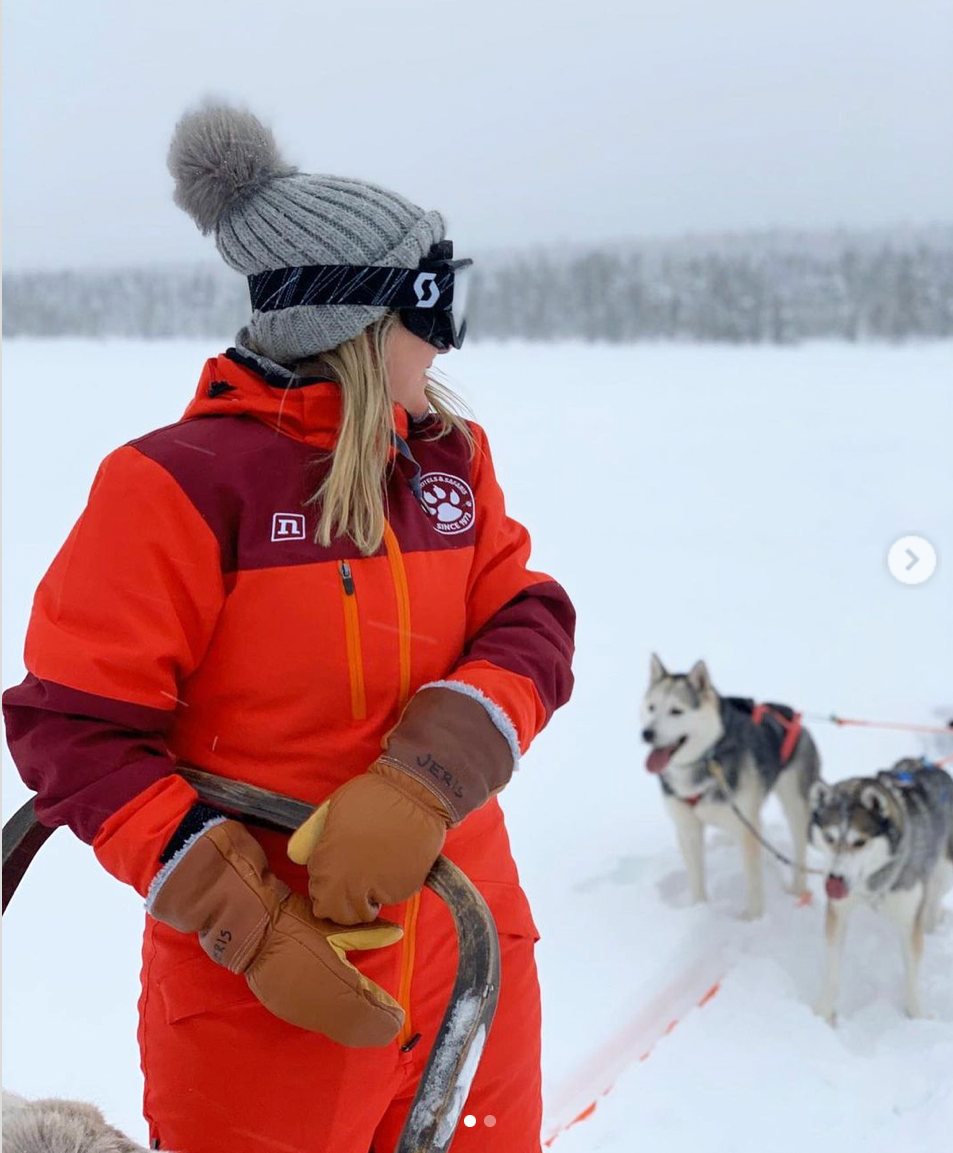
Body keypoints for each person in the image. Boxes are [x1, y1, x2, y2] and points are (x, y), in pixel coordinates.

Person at [2, 103, 575, 1153]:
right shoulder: (177, 486)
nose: (445, 343)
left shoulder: (448, 458)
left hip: (463, 943)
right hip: (273, 987)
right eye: (431, 308)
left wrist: (423, 779)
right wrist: (248, 921)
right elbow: (73, 729)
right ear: (351, 324)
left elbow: (528, 620)